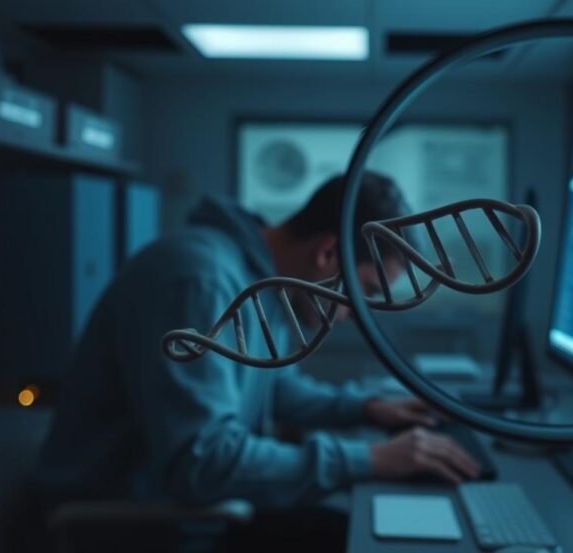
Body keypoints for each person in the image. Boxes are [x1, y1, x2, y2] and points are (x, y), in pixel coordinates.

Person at [34, 172, 479, 551]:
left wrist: (364, 409)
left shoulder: (260, 281)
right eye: (364, 292)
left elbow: (274, 386)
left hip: (189, 511)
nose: (355, 316)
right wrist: (371, 459)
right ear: (327, 253)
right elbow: (202, 461)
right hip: (142, 528)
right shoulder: (201, 283)